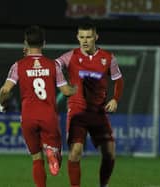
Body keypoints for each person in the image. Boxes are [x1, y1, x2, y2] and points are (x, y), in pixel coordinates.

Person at [0, 25, 77, 187]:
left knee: (36, 157)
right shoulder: (53, 65)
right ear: (44, 44)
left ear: (25, 43)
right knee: (56, 154)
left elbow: (5, 89)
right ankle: (52, 153)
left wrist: (1, 103)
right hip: (48, 116)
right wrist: (77, 88)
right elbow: (66, 91)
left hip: (28, 117)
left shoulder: (18, 65)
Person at [55, 23, 124, 187]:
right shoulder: (70, 56)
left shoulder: (108, 58)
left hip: (98, 112)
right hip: (77, 109)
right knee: (75, 152)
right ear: (77, 38)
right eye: (82, 37)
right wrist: (63, 84)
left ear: (96, 37)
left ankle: (103, 185)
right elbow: (54, 65)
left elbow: (118, 80)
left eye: (88, 37)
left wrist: (115, 99)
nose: (85, 41)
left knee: (109, 153)